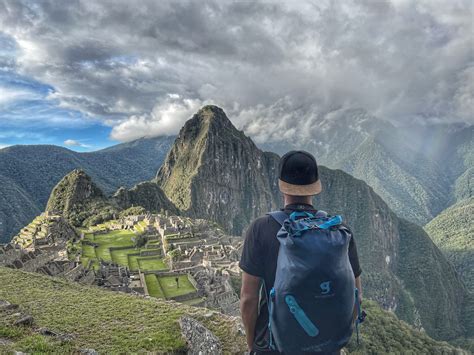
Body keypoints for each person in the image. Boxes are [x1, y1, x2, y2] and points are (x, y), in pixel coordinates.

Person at [239, 150, 362, 355]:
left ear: (281, 185)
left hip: (273, 345)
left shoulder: (261, 228)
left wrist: (252, 344)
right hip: (325, 345)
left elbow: (248, 298)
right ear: (316, 187)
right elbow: (356, 296)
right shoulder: (339, 232)